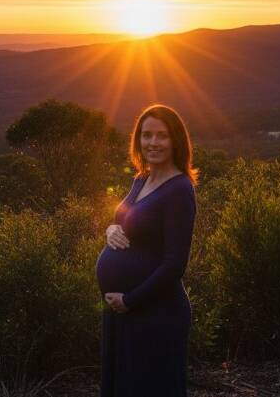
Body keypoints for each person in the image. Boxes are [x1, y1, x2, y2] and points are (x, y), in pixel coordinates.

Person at [95, 104, 199, 397]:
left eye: (162, 136)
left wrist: (130, 300)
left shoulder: (180, 190)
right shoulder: (141, 178)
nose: (153, 143)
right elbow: (123, 217)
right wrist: (111, 229)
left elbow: (175, 264)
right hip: (123, 312)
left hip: (155, 312)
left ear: (176, 140)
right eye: (146, 135)